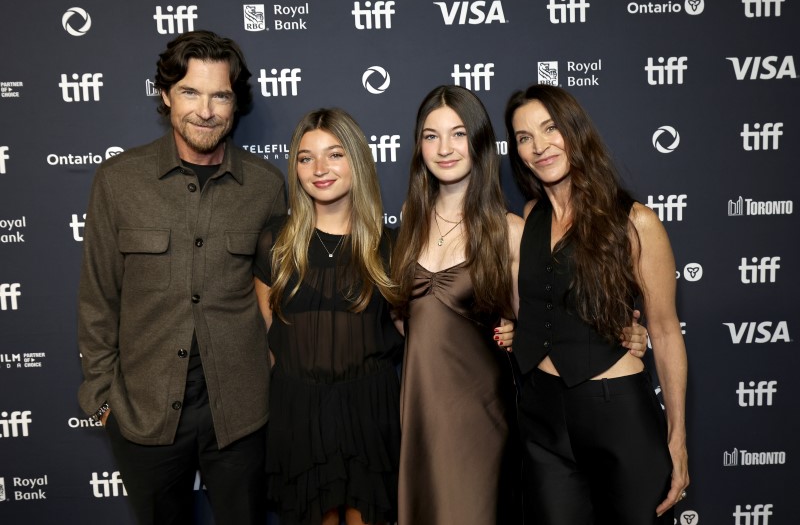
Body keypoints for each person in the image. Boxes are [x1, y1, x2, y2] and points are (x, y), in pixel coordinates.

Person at [77, 30, 286, 525]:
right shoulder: (118, 180)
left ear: (236, 103)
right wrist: (104, 400)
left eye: (220, 95)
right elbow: (98, 299)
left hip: (241, 413)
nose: (206, 110)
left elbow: (278, 300)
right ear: (166, 95)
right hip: (143, 412)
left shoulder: (266, 186)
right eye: (191, 92)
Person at [505, 83, 689, 524]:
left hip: (616, 412)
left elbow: (663, 330)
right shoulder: (530, 217)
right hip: (542, 415)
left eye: (550, 129)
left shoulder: (635, 221)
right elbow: (533, 307)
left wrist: (678, 437)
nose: (539, 146)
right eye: (524, 137)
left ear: (575, 131)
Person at [252, 108, 404, 525]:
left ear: (356, 160)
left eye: (334, 155)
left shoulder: (391, 246)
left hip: (370, 409)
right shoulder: (274, 243)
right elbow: (268, 339)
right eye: (306, 158)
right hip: (297, 410)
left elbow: (416, 331)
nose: (319, 169)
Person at [391, 85, 525, 525]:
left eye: (458, 134)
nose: (444, 148)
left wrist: (516, 330)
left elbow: (539, 324)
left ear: (480, 142)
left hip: (482, 416)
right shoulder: (410, 220)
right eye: (431, 136)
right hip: (420, 413)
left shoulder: (508, 229)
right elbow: (404, 317)